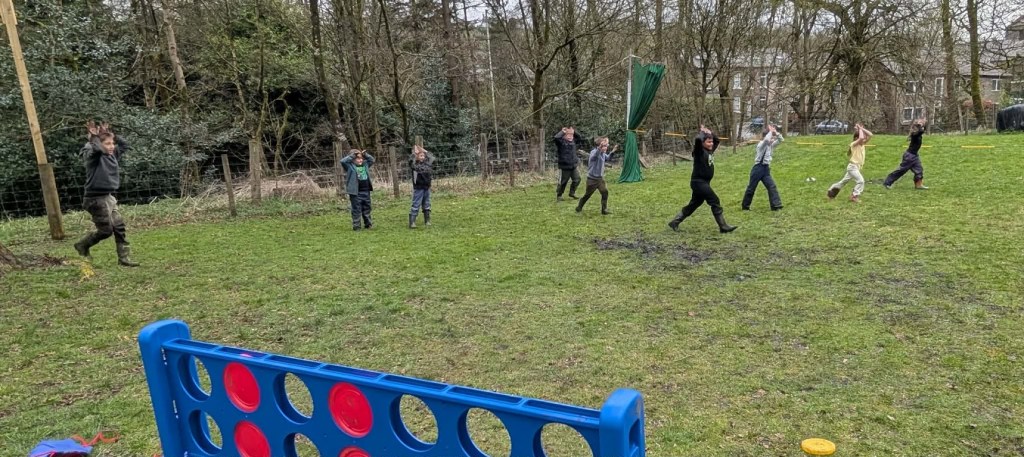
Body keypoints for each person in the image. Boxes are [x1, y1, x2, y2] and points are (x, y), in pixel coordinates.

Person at [73, 121, 139, 267]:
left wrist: (111, 132)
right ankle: (82, 245)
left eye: (112, 143)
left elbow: (125, 145)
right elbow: (97, 150)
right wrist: (95, 138)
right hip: (95, 199)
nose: (111, 146)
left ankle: (124, 258)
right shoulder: (93, 156)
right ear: (99, 144)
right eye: (108, 144)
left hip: (108, 197)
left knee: (119, 227)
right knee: (106, 231)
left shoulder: (112, 154)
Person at [668, 125, 737, 233]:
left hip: (704, 183)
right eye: (709, 142)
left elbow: (717, 140)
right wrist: (702, 133)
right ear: (703, 143)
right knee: (714, 200)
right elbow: (697, 140)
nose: (711, 144)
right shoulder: (699, 152)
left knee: (694, 204)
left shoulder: (709, 150)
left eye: (711, 142)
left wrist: (710, 133)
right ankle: (723, 226)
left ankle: (675, 222)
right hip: (698, 182)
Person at [741, 124, 784, 211]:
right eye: (772, 137)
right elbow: (766, 140)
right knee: (751, 188)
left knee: (772, 186)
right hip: (758, 169)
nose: (773, 139)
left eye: (773, 138)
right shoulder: (761, 144)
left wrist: (775, 133)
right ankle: (745, 206)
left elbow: (781, 140)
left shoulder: (771, 145)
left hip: (765, 169)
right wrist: (770, 132)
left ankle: (776, 205)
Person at [826, 123, 873, 203]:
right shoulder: (854, 144)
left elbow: (871, 135)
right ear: (856, 138)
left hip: (856, 168)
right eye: (862, 137)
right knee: (861, 181)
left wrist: (861, 128)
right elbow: (861, 137)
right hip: (853, 167)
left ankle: (831, 192)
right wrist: (859, 129)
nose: (864, 138)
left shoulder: (862, 144)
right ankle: (854, 196)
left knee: (843, 182)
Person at [883, 117, 929, 189]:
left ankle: (918, 185)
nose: (922, 126)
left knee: (919, 170)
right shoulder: (915, 134)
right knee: (901, 171)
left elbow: (923, 130)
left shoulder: (919, 133)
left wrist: (923, 123)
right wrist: (919, 124)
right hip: (909, 156)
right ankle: (887, 182)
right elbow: (921, 131)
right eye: (920, 125)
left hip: (915, 155)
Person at [575, 137, 616, 215]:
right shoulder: (593, 153)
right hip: (592, 180)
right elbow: (595, 156)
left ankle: (604, 210)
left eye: (606, 146)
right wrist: (600, 148)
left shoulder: (603, 154)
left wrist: (613, 151)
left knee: (605, 192)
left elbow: (608, 158)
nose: (606, 148)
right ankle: (579, 206)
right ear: (599, 146)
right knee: (587, 195)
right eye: (604, 146)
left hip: (600, 179)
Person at [340, 149, 376, 230]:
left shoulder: (365, 164)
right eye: (358, 158)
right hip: (355, 192)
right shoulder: (349, 166)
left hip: (366, 191)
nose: (360, 160)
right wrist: (353, 155)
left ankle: (368, 224)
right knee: (356, 209)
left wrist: (365, 154)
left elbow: (372, 160)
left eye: (361, 158)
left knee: (367, 208)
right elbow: (342, 161)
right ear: (353, 159)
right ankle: (357, 226)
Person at [553, 126, 585, 201]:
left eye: (572, 134)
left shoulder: (573, 141)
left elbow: (579, 137)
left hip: (573, 165)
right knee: (563, 182)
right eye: (568, 134)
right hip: (564, 166)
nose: (570, 136)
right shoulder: (561, 142)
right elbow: (556, 138)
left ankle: (572, 193)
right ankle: (559, 195)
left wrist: (573, 131)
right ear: (564, 135)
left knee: (577, 179)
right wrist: (562, 131)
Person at [409, 145, 435, 228]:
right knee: (416, 204)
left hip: (426, 187)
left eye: (423, 155)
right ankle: (412, 222)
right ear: (417, 157)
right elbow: (410, 160)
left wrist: (424, 150)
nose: (422, 157)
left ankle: (427, 220)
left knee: (427, 204)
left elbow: (432, 157)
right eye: (420, 155)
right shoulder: (414, 165)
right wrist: (414, 153)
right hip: (418, 188)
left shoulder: (428, 164)